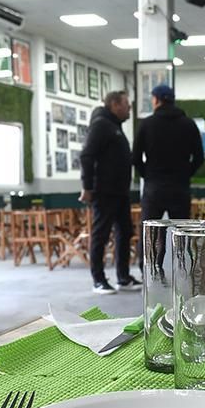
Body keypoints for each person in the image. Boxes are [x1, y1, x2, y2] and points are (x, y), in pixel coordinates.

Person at [80, 90, 139, 295]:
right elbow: (87, 156)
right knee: (101, 234)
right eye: (126, 105)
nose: (129, 108)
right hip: (104, 191)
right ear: (115, 104)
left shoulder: (115, 126)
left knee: (125, 232)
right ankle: (98, 280)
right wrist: (87, 187)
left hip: (120, 191)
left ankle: (123, 277)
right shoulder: (101, 125)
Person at [133, 84, 205, 222]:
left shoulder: (147, 124)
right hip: (180, 187)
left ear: (156, 100)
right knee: (181, 230)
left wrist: (147, 174)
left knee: (150, 231)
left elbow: (135, 157)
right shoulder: (188, 124)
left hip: (154, 187)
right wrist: (185, 173)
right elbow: (199, 157)